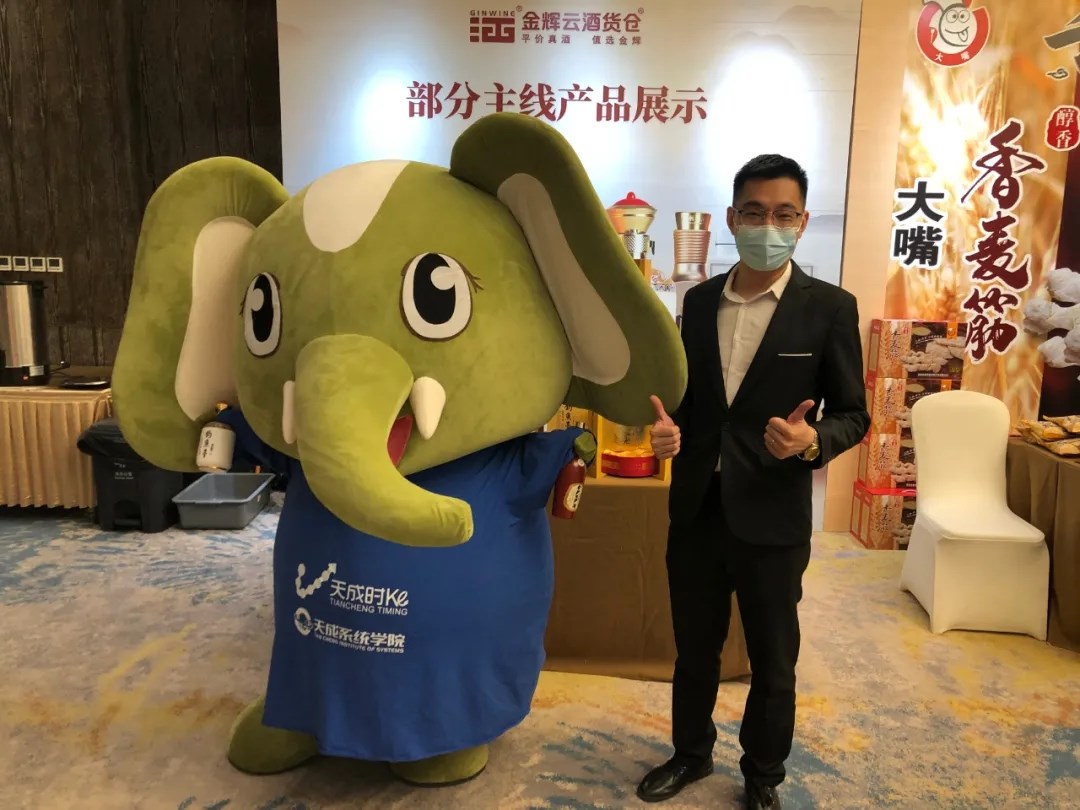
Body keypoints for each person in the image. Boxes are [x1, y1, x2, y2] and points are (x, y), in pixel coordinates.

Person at [636, 155, 870, 809]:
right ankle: (690, 754)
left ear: (802, 222)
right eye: (755, 212)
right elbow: (690, 403)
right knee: (694, 649)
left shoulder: (829, 309)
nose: (769, 225)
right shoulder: (698, 301)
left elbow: (854, 414)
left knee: (773, 657)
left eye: (784, 214)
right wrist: (668, 434)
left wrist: (811, 441)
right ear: (732, 218)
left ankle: (763, 775)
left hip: (773, 510)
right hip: (698, 507)